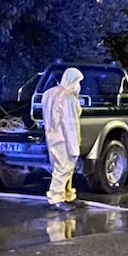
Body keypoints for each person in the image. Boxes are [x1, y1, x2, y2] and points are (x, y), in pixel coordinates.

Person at [43, 67, 84, 209]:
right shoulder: (68, 98)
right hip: (64, 138)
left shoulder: (49, 94)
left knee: (59, 166)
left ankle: (68, 195)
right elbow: (69, 124)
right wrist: (74, 147)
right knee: (64, 168)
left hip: (51, 136)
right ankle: (56, 198)